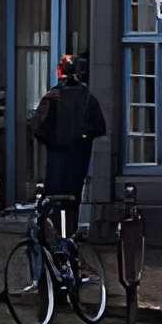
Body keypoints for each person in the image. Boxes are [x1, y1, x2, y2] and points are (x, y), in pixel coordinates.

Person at [27, 55, 109, 228]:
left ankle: (53, 235)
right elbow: (100, 127)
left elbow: (38, 127)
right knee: (73, 199)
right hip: (78, 159)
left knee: (54, 199)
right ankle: (70, 237)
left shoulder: (53, 97)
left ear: (60, 71)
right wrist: (83, 138)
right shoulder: (88, 98)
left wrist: (52, 141)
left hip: (56, 158)